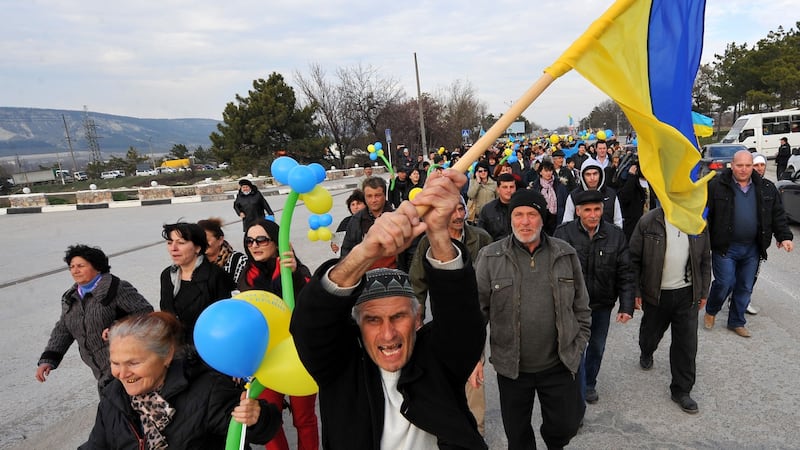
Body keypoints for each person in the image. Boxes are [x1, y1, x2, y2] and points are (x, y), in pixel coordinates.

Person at [290, 169, 487, 449]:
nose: (387, 334)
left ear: (417, 318)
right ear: (357, 325)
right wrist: (365, 251)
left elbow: (463, 322)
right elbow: (311, 324)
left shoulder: (436, 362)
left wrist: (439, 234)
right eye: (372, 319)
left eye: (398, 316)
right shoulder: (340, 370)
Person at [475, 189, 591, 449]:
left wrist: (579, 343)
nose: (524, 222)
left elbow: (581, 306)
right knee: (517, 437)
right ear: (510, 219)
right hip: (512, 368)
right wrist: (475, 357)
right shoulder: (490, 257)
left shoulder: (565, 253)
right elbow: (477, 313)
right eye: (518, 215)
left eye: (531, 214)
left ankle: (553, 441)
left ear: (542, 219)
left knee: (566, 426)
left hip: (559, 364)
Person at [79, 312, 280, 449]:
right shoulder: (113, 397)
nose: (122, 373)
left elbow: (260, 431)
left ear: (166, 356)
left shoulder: (208, 390)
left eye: (133, 363)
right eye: (115, 363)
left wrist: (257, 418)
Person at [408, 195, 492, 436]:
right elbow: (417, 281)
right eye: (451, 211)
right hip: (443, 318)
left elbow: (495, 276)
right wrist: (418, 311)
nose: (457, 216)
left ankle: (475, 431)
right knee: (443, 370)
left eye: (460, 209)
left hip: (475, 317)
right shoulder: (428, 242)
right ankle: (449, 421)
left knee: (474, 372)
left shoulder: (481, 238)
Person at [238, 218, 319, 450]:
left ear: (276, 242)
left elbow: (311, 304)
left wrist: (292, 274)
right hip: (266, 357)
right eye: (250, 240)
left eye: (261, 239)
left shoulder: (296, 270)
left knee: (304, 419)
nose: (255, 245)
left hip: (298, 355)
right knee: (268, 420)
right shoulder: (247, 277)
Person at [554, 190, 634, 405]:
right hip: (571, 307)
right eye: (587, 210)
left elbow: (625, 271)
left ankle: (589, 383)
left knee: (597, 347)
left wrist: (626, 305)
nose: (593, 214)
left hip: (602, 305)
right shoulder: (563, 234)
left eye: (597, 209)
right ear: (578, 211)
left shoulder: (615, 235)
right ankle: (574, 388)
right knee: (574, 348)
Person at [36, 245, 153, 392]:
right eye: (71, 266)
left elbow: (145, 312)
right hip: (100, 371)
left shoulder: (116, 288)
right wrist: (48, 360)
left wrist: (117, 328)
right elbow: (63, 329)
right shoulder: (71, 297)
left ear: (97, 267)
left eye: (80, 266)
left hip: (127, 367)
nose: (75, 270)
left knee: (120, 409)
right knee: (113, 409)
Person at [629, 208, 711, 414]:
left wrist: (703, 291)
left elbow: (705, 259)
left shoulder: (697, 222)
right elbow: (633, 259)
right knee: (651, 333)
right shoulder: (648, 221)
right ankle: (646, 351)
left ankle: (682, 390)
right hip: (656, 294)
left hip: (687, 294)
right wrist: (635, 291)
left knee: (686, 344)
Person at [704, 150, 794, 338]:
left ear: (752, 166)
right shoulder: (716, 186)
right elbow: (704, 214)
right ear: (732, 165)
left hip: (753, 248)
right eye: (739, 165)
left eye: (747, 165)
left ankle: (736, 321)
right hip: (725, 246)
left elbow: (777, 214)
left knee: (745, 286)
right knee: (724, 282)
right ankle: (711, 310)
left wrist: (784, 236)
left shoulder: (766, 187)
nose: (744, 170)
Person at [160, 222, 234, 350]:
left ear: (198, 248)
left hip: (208, 348)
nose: (173, 248)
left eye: (181, 243)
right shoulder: (167, 275)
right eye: (169, 242)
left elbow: (225, 319)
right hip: (176, 348)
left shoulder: (216, 276)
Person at [341, 176, 396, 268]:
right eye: (369, 196)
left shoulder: (397, 218)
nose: (373, 200)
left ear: (384, 195)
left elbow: (411, 254)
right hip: (364, 275)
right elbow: (346, 250)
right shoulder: (356, 220)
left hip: (395, 274)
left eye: (377, 195)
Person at [562, 158, 623, 228]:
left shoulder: (611, 194)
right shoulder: (574, 196)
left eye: (595, 174)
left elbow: (618, 221)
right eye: (588, 174)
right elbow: (567, 222)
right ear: (582, 176)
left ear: (600, 174)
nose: (592, 178)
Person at [197, 217, 248, 286]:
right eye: (198, 240)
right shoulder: (193, 262)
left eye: (206, 240)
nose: (202, 244)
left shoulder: (239, 261)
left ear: (220, 240)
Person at [618, 163, 659, 241]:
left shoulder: (651, 183)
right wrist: (631, 177)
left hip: (649, 227)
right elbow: (623, 198)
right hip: (633, 227)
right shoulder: (631, 181)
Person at [529, 160, 569, 235]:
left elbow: (565, 202)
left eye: (550, 171)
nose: (548, 173)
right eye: (546, 171)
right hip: (541, 219)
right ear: (540, 172)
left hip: (557, 219)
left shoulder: (560, 185)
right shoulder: (535, 187)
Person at [477, 173, 517, 241]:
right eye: (505, 187)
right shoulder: (487, 210)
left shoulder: (522, 208)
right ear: (498, 189)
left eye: (511, 187)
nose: (509, 190)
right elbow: (481, 235)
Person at [331, 189, 366, 254]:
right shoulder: (346, 222)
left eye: (358, 203)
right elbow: (337, 239)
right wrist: (334, 246)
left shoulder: (371, 220)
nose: (356, 207)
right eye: (353, 204)